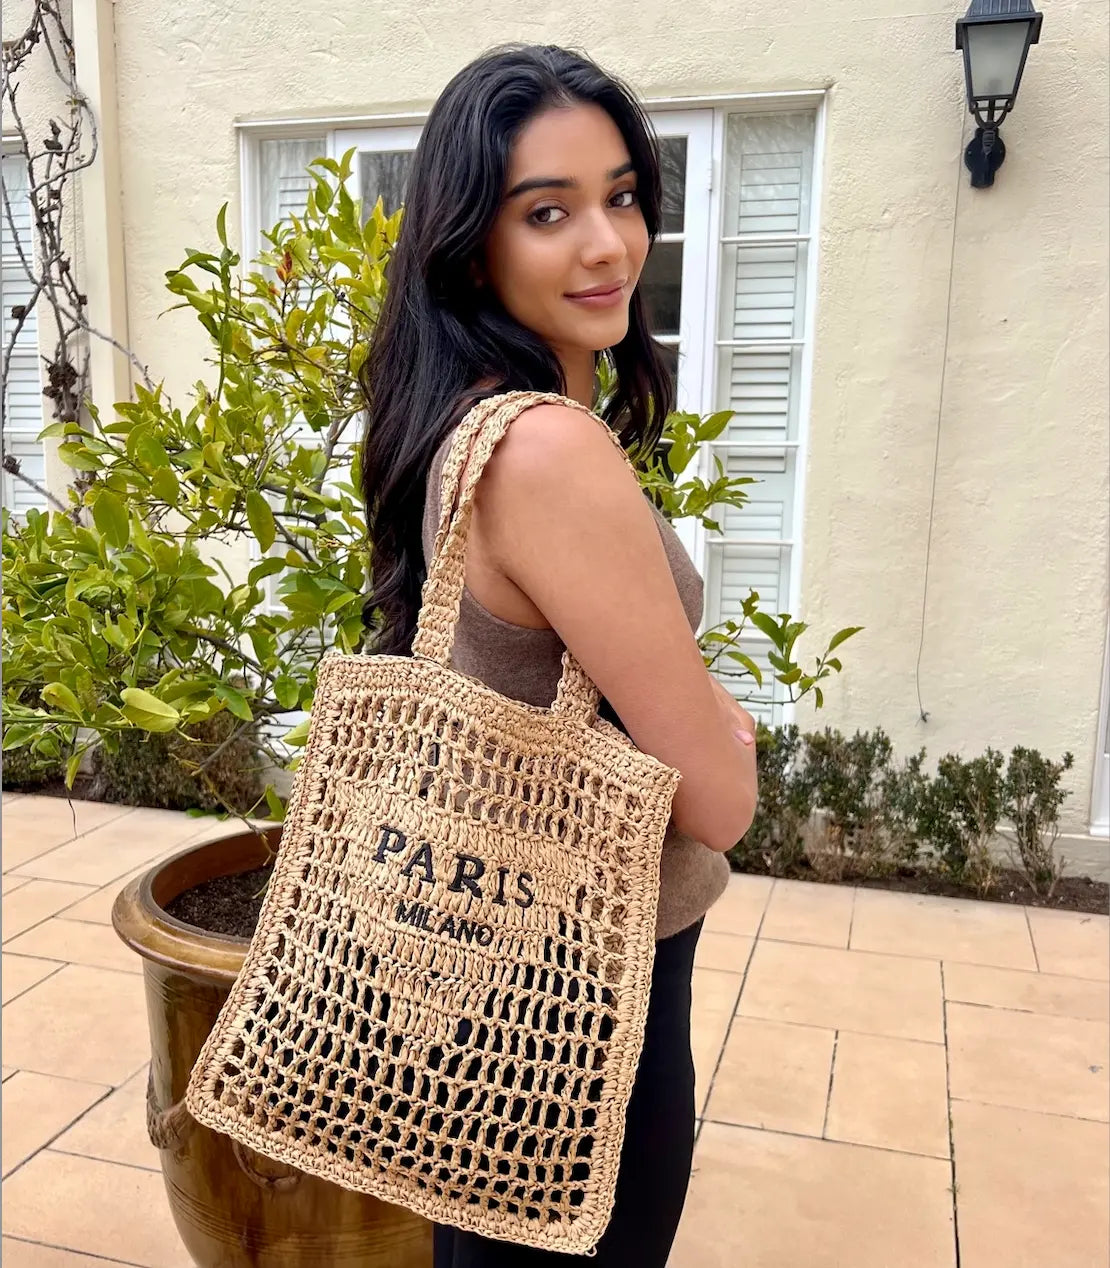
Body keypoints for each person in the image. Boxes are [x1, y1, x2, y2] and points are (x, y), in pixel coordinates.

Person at [359, 42, 759, 1268]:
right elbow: (719, 803)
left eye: (622, 196)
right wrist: (729, 732)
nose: (607, 245)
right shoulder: (545, 450)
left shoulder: (463, 419)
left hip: (490, 972)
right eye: (548, 212)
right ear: (472, 242)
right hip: (579, 999)